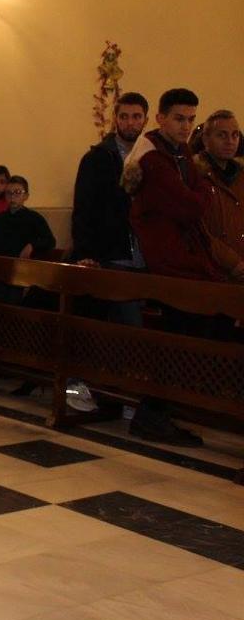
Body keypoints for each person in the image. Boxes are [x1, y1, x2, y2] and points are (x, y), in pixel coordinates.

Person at [122, 88, 224, 445]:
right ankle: (154, 412)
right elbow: (191, 205)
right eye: (179, 118)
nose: (186, 126)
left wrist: (202, 195)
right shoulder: (151, 158)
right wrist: (203, 195)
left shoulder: (179, 152)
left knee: (200, 330)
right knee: (180, 336)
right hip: (168, 263)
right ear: (161, 118)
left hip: (187, 259)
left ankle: (178, 405)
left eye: (192, 119)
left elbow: (200, 195)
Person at [71, 91, 149, 325]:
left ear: (146, 120)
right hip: (112, 253)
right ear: (116, 119)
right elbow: (84, 207)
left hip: (146, 255)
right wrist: (85, 252)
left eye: (136, 117)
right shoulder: (97, 158)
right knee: (129, 323)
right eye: (124, 116)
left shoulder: (151, 156)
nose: (130, 122)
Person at [0, 175, 56, 304]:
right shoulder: (0, 219)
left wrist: (32, 245)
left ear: (26, 196)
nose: (12, 197)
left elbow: (50, 241)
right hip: (0, 272)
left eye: (17, 193)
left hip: (22, 273)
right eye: (9, 193)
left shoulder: (34, 218)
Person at [194, 109, 244, 281]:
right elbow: (199, 229)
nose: (230, 141)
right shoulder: (195, 175)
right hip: (211, 271)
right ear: (206, 139)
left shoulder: (241, 176)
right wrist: (232, 261)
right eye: (222, 135)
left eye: (235, 135)